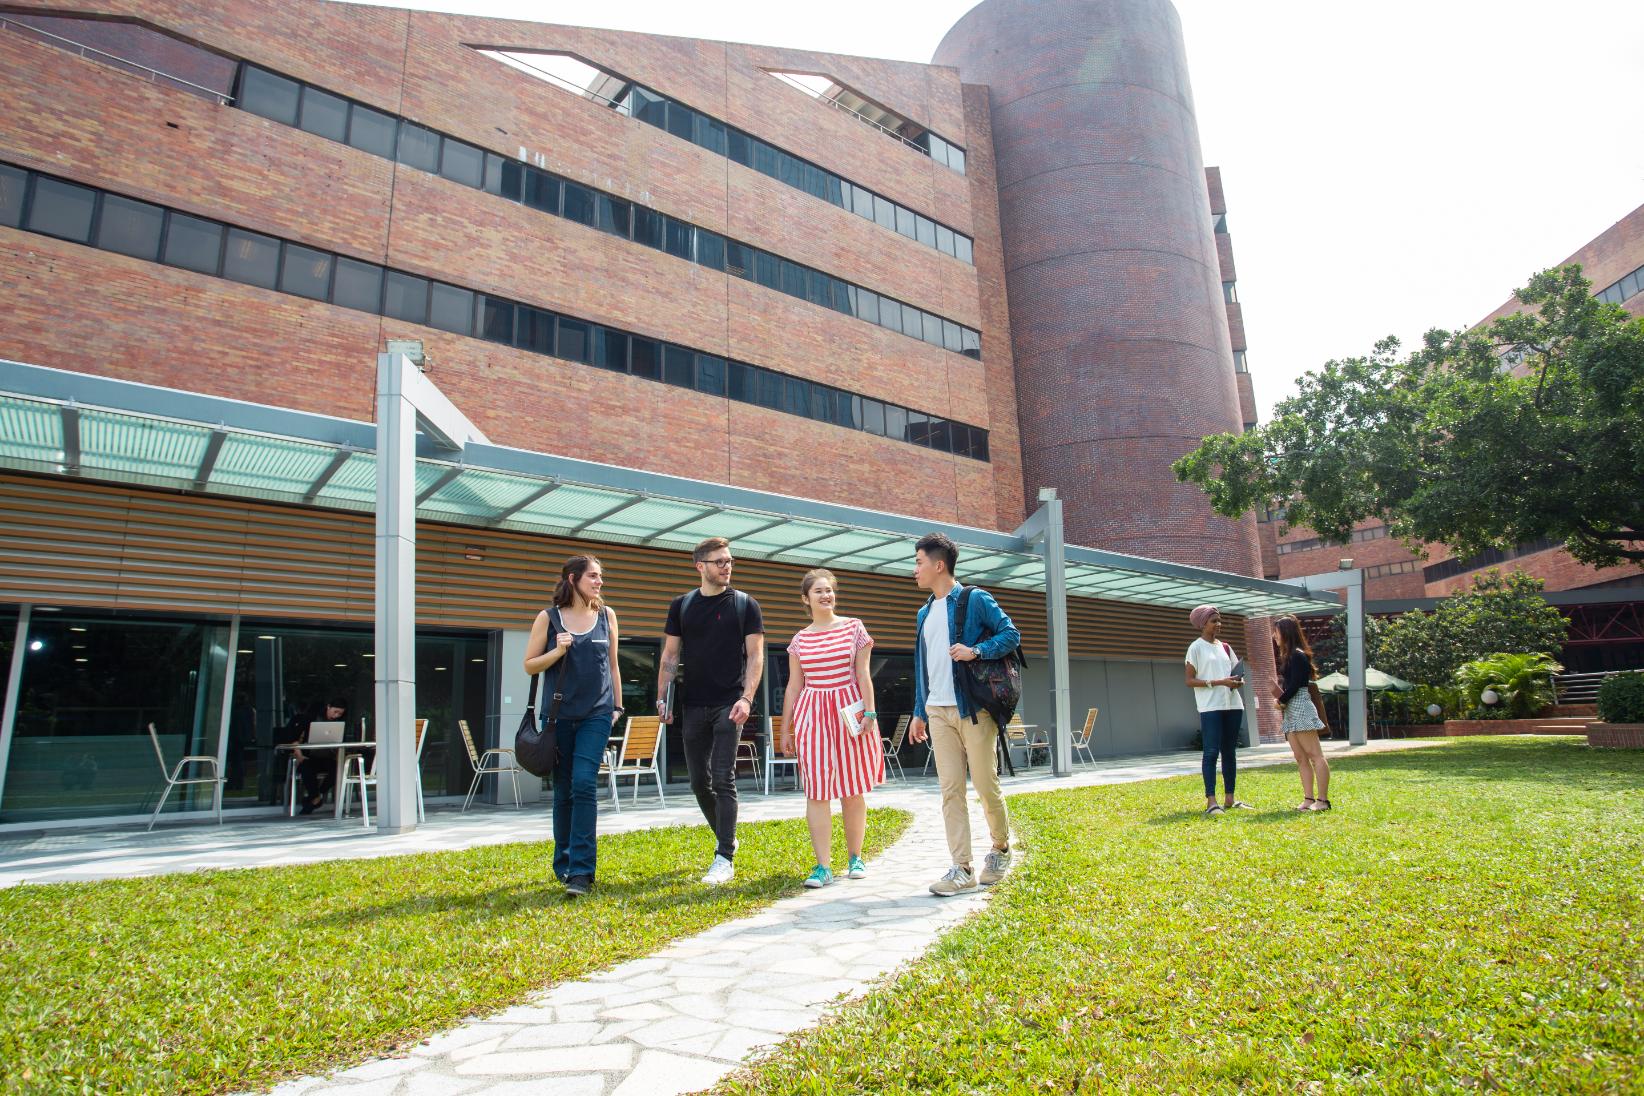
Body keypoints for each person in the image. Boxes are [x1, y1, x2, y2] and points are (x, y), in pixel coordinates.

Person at [906, 532, 1019, 897]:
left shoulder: (974, 599)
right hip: (937, 711)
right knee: (950, 789)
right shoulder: (924, 612)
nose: (915, 570)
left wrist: (977, 651)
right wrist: (919, 711)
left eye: (919, 562)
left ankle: (1001, 848)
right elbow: (923, 666)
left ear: (939, 565)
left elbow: (1011, 635)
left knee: (986, 785)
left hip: (972, 709)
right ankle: (962, 867)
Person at [657, 537, 765, 886]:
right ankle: (727, 836)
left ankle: (724, 857)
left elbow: (756, 656)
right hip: (692, 705)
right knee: (698, 782)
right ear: (700, 566)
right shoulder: (682, 606)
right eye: (719, 561)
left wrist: (747, 698)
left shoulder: (746, 605)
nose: (727, 566)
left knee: (723, 778)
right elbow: (670, 656)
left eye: (729, 560)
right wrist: (663, 697)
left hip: (729, 704)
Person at [525, 555, 624, 897]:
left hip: (596, 715)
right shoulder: (548, 619)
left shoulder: (606, 616)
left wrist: (617, 706)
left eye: (601, 576)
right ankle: (564, 863)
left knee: (583, 783)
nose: (599, 582)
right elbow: (529, 665)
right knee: (564, 790)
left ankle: (582, 871)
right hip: (558, 718)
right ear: (572, 578)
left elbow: (613, 666)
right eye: (593, 576)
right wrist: (555, 651)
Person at [779, 569, 884, 888]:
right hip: (812, 714)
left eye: (829, 590)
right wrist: (786, 729)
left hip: (849, 712)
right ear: (805, 599)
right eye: (818, 591)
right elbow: (793, 687)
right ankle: (822, 866)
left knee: (852, 788)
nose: (826, 595)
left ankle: (856, 858)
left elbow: (863, 674)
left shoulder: (854, 628)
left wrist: (871, 711)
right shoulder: (799, 640)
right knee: (817, 789)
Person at [1183, 606, 1251, 817]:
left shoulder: (1226, 647)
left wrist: (1237, 682)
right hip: (1211, 707)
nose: (1218, 624)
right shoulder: (1195, 648)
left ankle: (1229, 798)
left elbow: (1234, 673)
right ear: (1202, 624)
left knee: (1229, 752)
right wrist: (1219, 682)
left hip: (1233, 705)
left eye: (1219, 620)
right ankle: (1211, 801)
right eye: (1214, 621)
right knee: (1211, 752)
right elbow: (1189, 681)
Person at [1273, 615, 1331, 811]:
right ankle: (1308, 798)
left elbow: (1297, 684)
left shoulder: (1298, 655)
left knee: (1315, 755)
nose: (1274, 636)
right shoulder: (1289, 656)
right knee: (1300, 757)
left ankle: (1322, 801)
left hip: (1300, 706)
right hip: (1290, 708)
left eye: (1277, 631)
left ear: (1286, 633)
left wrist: (1280, 700)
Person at [295, 698, 347, 815]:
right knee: (306, 767)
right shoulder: (311, 719)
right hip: (310, 756)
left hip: (327, 757)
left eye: (340, 713)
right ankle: (316, 797)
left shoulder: (339, 724)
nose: (336, 715)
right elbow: (295, 738)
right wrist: (299, 756)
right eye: (335, 712)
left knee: (338, 769)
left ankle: (316, 797)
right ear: (328, 707)